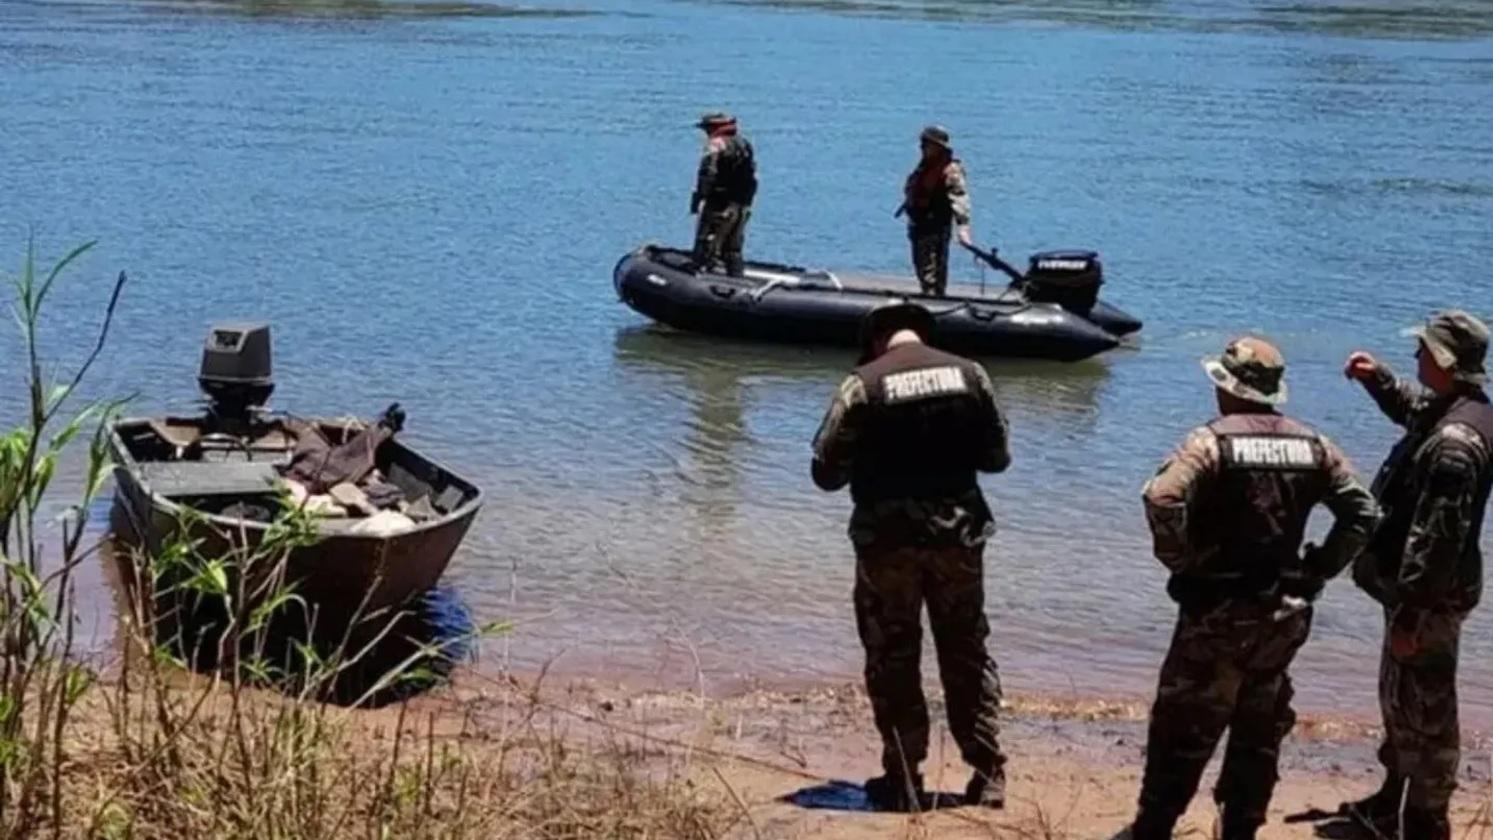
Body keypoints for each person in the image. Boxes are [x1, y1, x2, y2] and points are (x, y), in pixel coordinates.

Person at [1121, 337, 1378, 839]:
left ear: (1227, 387)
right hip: (1281, 612)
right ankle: (1240, 828)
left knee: (1182, 726)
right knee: (1258, 728)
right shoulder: (1314, 445)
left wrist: (1182, 560)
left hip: (1216, 608)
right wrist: (1321, 567)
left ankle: (1154, 827)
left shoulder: (1211, 442)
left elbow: (1162, 497)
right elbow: (1363, 513)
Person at [809, 301, 1010, 811]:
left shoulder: (864, 384)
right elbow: (998, 458)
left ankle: (904, 776)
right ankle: (987, 774)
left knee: (893, 654)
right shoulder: (971, 375)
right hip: (958, 539)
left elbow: (825, 472)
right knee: (966, 649)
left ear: (877, 340)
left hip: (887, 544)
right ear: (925, 335)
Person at [1339, 310, 1493, 839]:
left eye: (1424, 350)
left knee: (1427, 710)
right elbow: (1413, 406)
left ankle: (1428, 820)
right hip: (1416, 592)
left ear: (1446, 362)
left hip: (1430, 596)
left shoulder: (1456, 442)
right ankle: (1391, 800)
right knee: (1399, 695)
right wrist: (1377, 379)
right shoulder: (1454, 409)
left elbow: (1437, 539)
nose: (1416, 357)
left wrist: (1411, 612)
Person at [899, 125, 973, 297]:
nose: (922, 147)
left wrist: (963, 228)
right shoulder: (925, 166)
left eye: (926, 144)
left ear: (937, 147)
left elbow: (960, 197)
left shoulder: (950, 170)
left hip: (935, 226)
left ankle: (934, 299)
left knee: (932, 271)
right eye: (922, 143)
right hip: (919, 225)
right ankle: (930, 295)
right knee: (922, 267)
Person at [689, 111, 756, 278]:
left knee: (708, 243)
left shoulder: (715, 145)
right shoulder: (744, 144)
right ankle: (735, 277)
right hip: (742, 204)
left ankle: (705, 277)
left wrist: (699, 197)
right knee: (733, 247)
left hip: (720, 203)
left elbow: (707, 173)